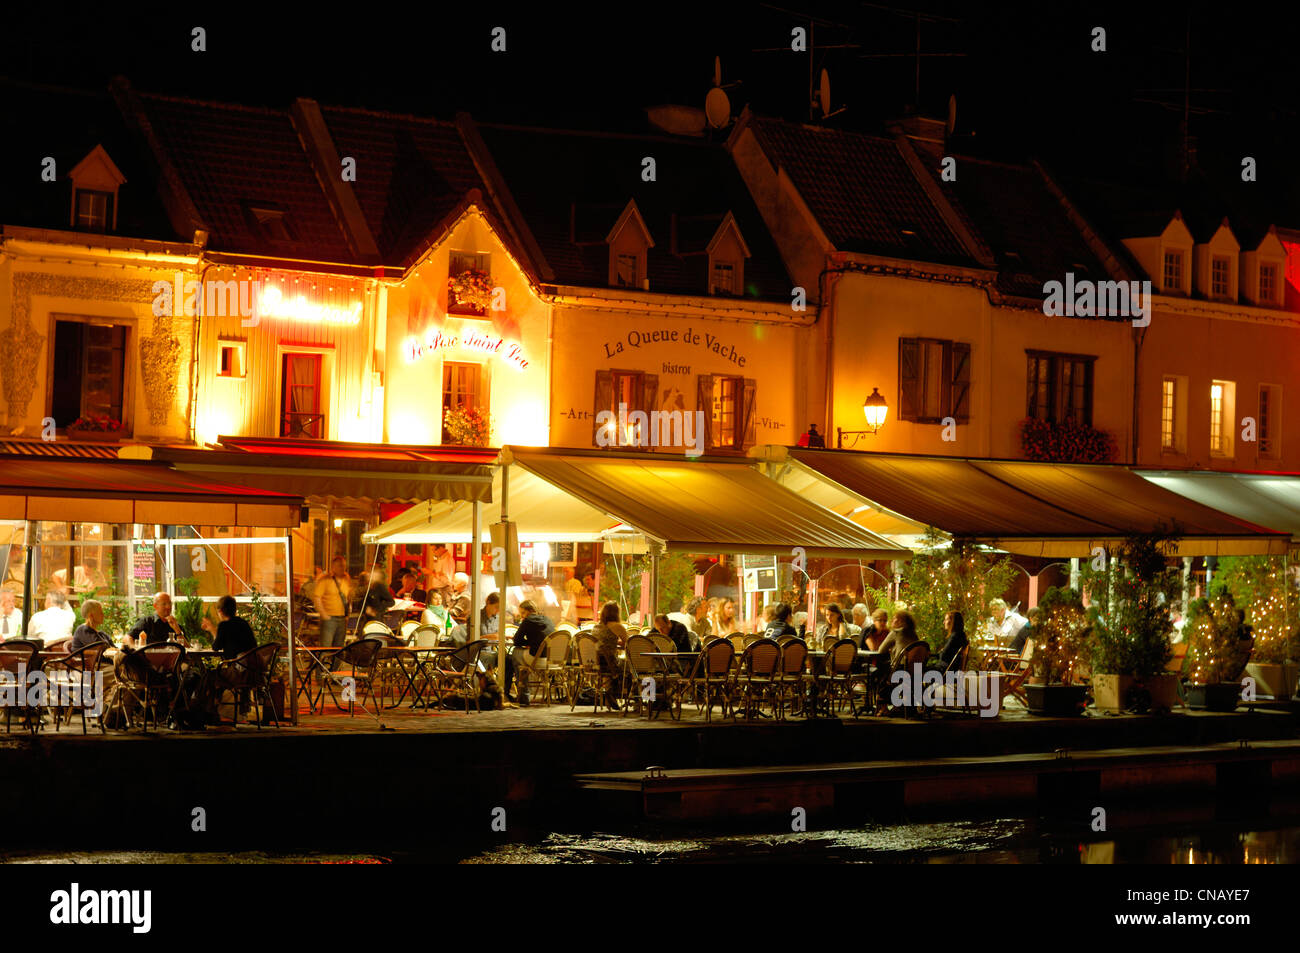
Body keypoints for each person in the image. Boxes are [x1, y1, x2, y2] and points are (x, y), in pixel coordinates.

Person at [508, 599, 553, 707]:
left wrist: (529, 643)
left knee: (514, 655)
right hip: (550, 660)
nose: (522, 616)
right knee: (515, 658)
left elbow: (517, 641)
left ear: (530, 611)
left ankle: (523, 695)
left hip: (535, 658)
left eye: (523, 613)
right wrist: (532, 642)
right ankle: (524, 694)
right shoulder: (548, 620)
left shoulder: (528, 621)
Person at [590, 601, 628, 709]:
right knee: (630, 667)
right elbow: (629, 643)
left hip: (595, 663)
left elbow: (603, 643)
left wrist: (615, 643)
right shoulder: (617, 626)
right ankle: (633, 699)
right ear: (616, 613)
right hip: (609, 663)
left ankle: (609, 691)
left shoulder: (596, 627)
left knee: (622, 664)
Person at [201, 595, 257, 659]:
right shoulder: (243, 623)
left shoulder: (224, 625)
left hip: (238, 665)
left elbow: (216, 647)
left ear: (220, 611)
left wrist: (212, 629)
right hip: (253, 663)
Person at [313, 557, 351, 648]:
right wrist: (324, 614)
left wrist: (348, 614)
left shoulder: (346, 579)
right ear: (333, 567)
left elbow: (348, 597)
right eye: (340, 566)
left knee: (339, 647)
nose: (342, 568)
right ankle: (323, 662)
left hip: (342, 618)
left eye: (344, 566)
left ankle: (336, 663)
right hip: (329, 619)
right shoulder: (325, 580)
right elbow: (317, 597)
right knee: (326, 646)